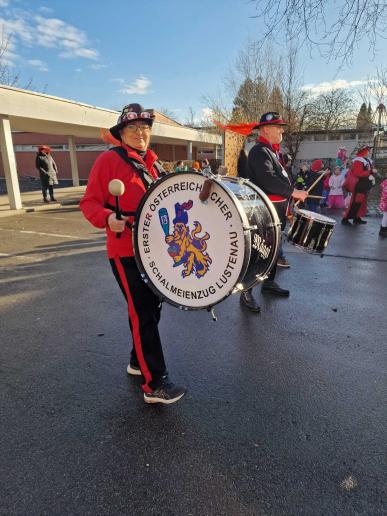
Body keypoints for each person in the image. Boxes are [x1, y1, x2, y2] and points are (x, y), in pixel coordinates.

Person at [80, 103, 186, 405]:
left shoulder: (153, 165)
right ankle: (155, 384)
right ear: (121, 133)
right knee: (142, 312)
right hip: (125, 248)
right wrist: (106, 218)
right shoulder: (107, 161)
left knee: (151, 309)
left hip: (153, 250)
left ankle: (137, 362)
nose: (140, 133)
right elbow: (89, 202)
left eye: (145, 128)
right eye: (133, 128)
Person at [239, 112, 308, 311]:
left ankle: (268, 284)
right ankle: (246, 291)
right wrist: (293, 192)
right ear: (266, 129)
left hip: (276, 210)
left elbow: (280, 178)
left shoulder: (272, 151)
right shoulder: (259, 151)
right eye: (278, 127)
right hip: (264, 213)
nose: (282, 130)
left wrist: (290, 200)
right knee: (258, 252)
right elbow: (268, 179)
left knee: (275, 249)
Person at [342, 145, 375, 225]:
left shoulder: (366, 160)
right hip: (359, 185)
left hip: (364, 185)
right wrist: (370, 172)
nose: (369, 152)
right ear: (363, 152)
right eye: (368, 150)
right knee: (355, 202)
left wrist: (372, 173)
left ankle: (356, 217)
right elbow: (358, 173)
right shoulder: (358, 161)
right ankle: (345, 219)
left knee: (361, 202)